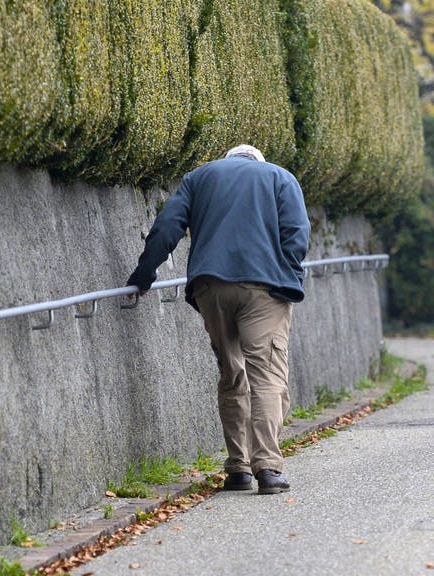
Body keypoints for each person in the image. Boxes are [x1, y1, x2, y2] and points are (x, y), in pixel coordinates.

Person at [126, 144, 310, 495]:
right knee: (267, 375)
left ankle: (238, 468)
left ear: (228, 160)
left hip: (211, 286)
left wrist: (144, 272)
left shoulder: (200, 177)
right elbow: (297, 233)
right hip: (265, 287)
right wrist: (287, 276)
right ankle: (268, 467)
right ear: (258, 160)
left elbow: (168, 225)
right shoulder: (280, 177)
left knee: (232, 372)